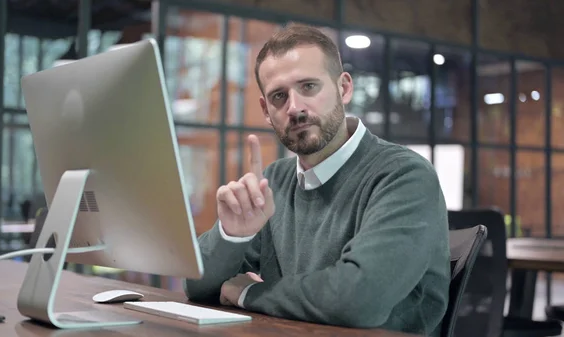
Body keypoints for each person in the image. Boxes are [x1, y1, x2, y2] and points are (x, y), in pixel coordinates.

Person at [183, 23, 451, 336]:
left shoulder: (404, 176)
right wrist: (232, 236)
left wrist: (249, 293)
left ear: (344, 88)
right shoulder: (274, 181)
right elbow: (197, 285)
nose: (295, 108)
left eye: (309, 87)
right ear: (266, 111)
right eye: (279, 96)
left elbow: (357, 300)